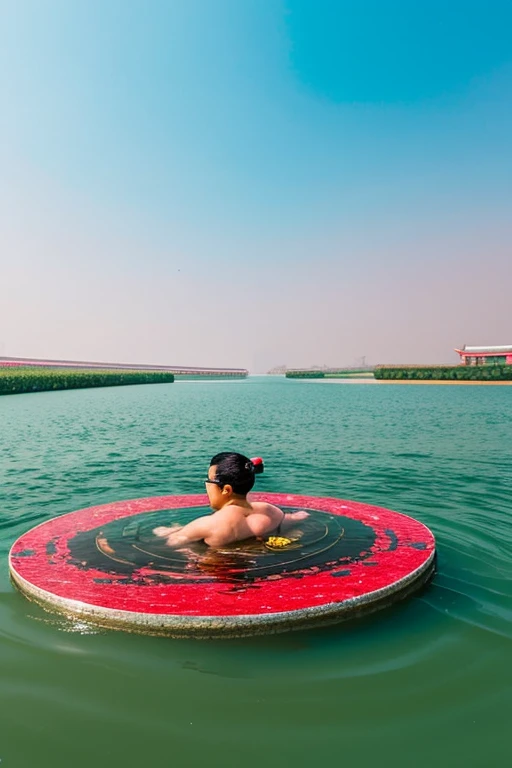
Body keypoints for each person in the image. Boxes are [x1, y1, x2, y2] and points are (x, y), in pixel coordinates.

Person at [153, 452, 308, 548]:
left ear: (226, 489)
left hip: (224, 569)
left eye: (209, 480)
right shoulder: (271, 511)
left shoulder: (208, 524)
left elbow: (171, 543)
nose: (206, 484)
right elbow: (297, 517)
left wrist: (172, 533)